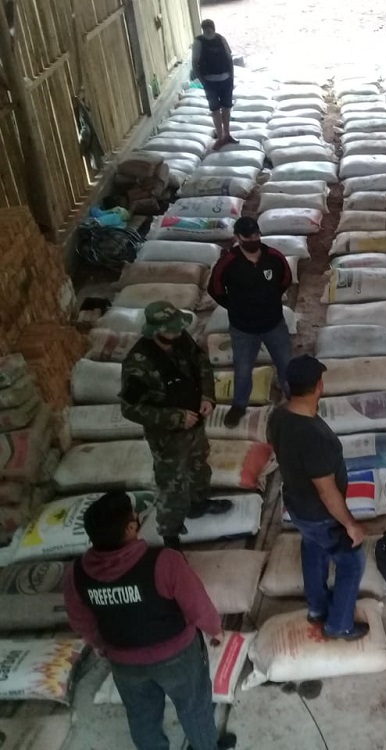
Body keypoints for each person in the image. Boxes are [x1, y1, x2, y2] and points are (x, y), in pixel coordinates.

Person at [64, 491, 235, 750]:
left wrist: (98, 643)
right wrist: (214, 629)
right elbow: (196, 603)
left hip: (123, 661)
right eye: (134, 515)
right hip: (177, 656)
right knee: (194, 706)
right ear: (130, 528)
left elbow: (80, 619)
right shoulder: (164, 562)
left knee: (142, 716)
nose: (138, 516)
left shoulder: (77, 573)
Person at [266, 355, 368, 640]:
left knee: (313, 548)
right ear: (319, 386)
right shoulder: (315, 437)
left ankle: (317, 608)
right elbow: (327, 491)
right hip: (319, 514)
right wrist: (350, 524)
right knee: (352, 562)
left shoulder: (278, 417)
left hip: (296, 505)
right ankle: (339, 625)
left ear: (288, 386)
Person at [120, 302, 231, 551]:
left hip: (195, 424)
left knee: (199, 465)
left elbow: (202, 364)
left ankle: (199, 503)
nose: (179, 332)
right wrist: (176, 418)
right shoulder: (138, 363)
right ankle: (170, 537)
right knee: (172, 485)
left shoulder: (181, 340)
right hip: (167, 437)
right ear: (156, 331)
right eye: (172, 329)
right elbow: (129, 409)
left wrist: (207, 396)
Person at [208, 216, 293, 428]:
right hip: (243, 329)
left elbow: (286, 280)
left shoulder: (274, 257)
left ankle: (293, 397)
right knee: (243, 370)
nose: (253, 239)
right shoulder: (228, 263)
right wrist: (235, 307)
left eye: (256, 235)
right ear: (237, 237)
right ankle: (239, 406)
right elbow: (215, 289)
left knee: (286, 364)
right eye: (248, 236)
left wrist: (270, 299)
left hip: (273, 324)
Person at [191, 20, 236, 150]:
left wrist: (231, 77)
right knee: (215, 110)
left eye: (210, 29)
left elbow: (229, 58)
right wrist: (203, 81)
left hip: (225, 80)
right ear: (203, 30)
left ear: (214, 29)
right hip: (210, 82)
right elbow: (194, 63)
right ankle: (220, 137)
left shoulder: (221, 39)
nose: (209, 31)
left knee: (226, 108)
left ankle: (227, 134)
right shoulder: (199, 42)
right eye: (206, 29)